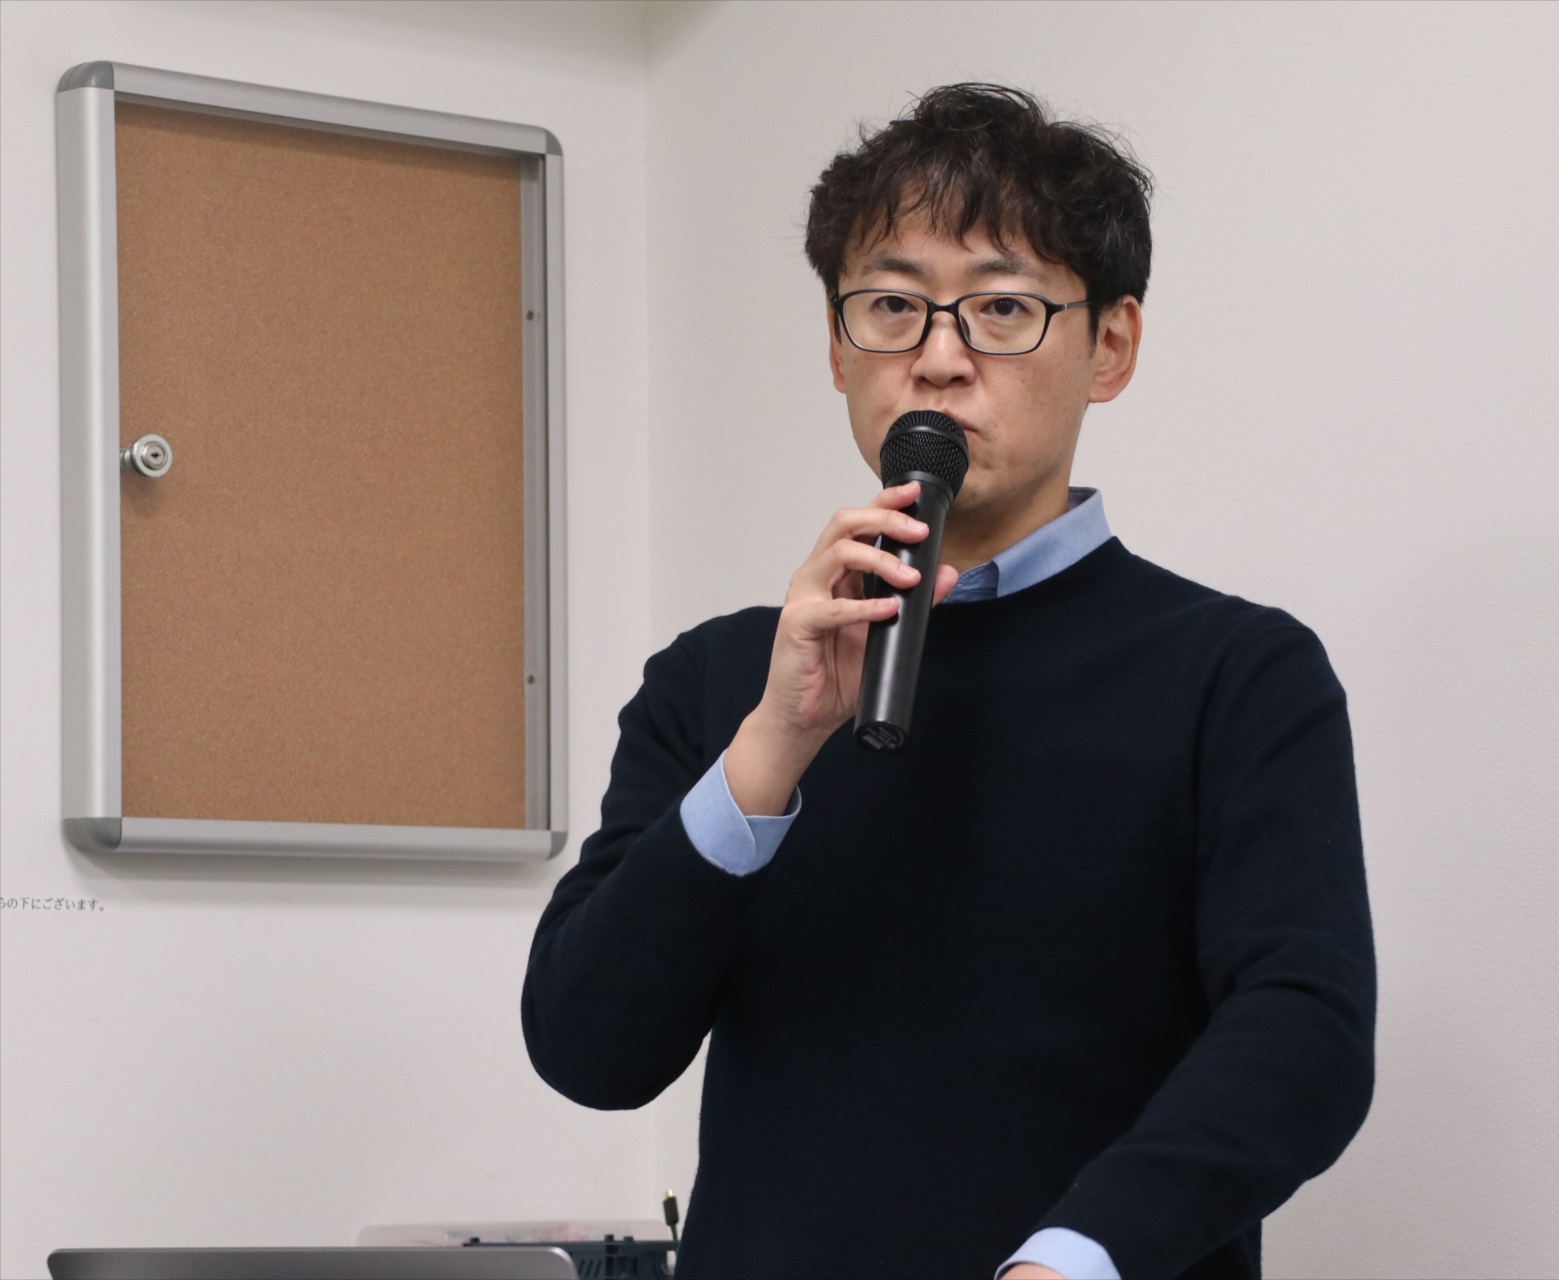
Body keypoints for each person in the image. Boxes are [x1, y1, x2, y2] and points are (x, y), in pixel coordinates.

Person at [522, 84, 1375, 1280]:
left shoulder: (1237, 673)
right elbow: (587, 1049)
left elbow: (1303, 1030)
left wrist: (1078, 1255)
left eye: (1002, 308)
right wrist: (771, 747)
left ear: (1112, 346)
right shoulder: (721, 679)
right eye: (891, 306)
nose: (936, 359)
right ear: (837, 348)